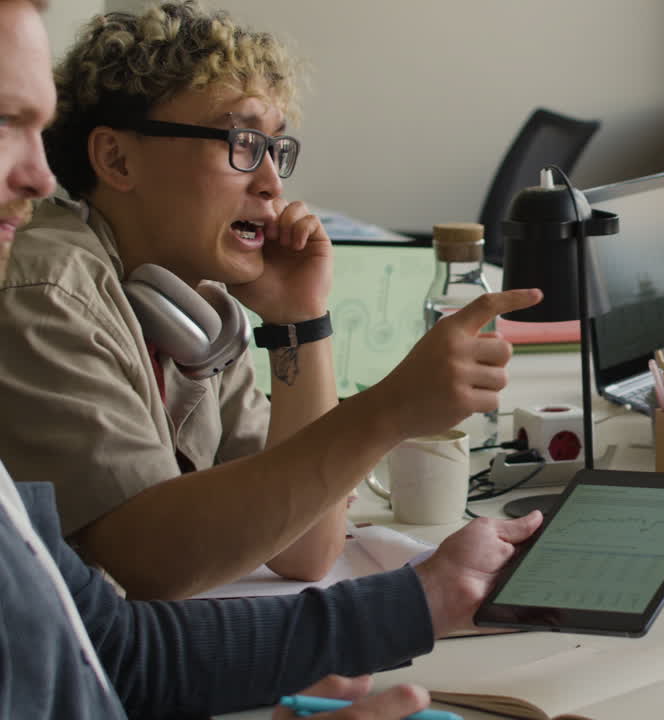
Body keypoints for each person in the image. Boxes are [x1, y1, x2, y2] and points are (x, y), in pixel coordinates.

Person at [0, 1, 540, 717]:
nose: (270, 185)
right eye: (239, 145)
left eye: (275, 151)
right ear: (117, 158)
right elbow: (153, 561)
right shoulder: (47, 285)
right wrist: (387, 412)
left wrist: (299, 322)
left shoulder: (190, 303)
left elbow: (305, 549)